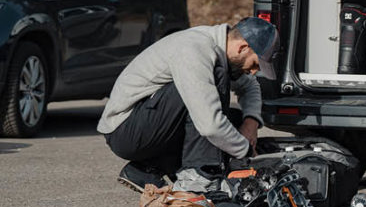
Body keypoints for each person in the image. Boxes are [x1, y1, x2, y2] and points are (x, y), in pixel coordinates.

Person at [97, 17, 278, 192]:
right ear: (242, 47)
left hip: (149, 124)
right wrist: (246, 151)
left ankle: (146, 168)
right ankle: (198, 179)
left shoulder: (221, 49)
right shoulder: (195, 49)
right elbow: (210, 126)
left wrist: (250, 122)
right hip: (126, 131)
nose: (254, 72)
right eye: (255, 64)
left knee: (235, 119)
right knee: (214, 85)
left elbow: (250, 87)